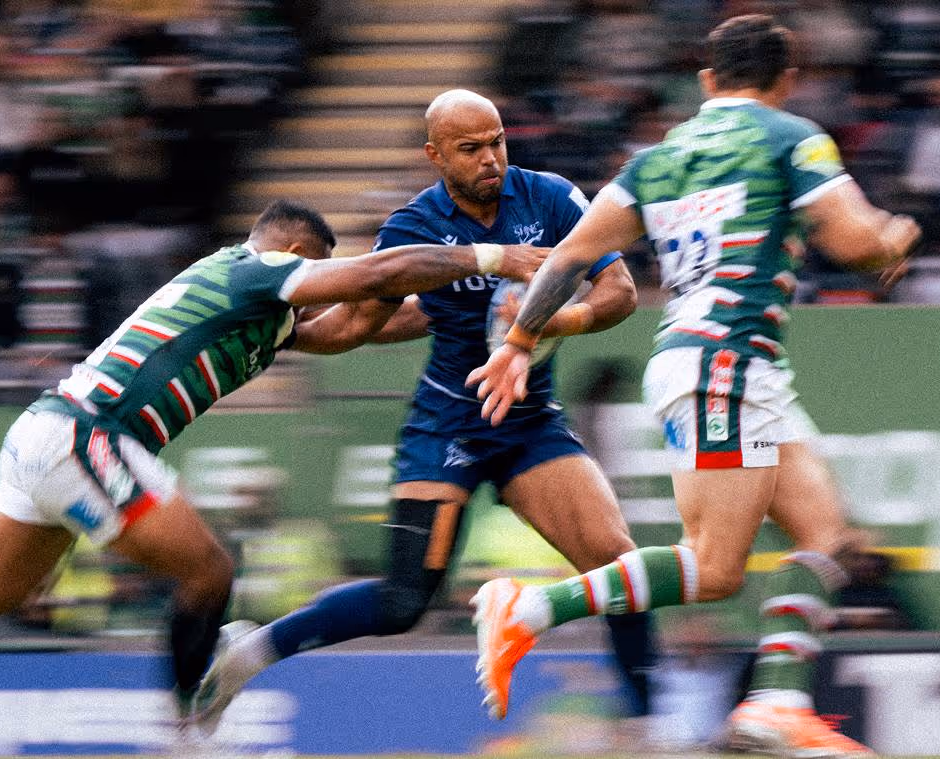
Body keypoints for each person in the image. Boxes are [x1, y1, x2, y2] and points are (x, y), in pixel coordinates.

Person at [0, 200, 547, 753]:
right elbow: (368, 282)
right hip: (88, 437)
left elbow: (355, 323)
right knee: (208, 568)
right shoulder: (252, 270)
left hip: (49, 432)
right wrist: (495, 257)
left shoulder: (257, 317)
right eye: (315, 272)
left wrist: (472, 308)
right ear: (292, 252)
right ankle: (189, 733)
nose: (312, 288)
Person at [466, 15, 922, 759]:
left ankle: (774, 703)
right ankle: (531, 604)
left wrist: (519, 340)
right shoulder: (790, 136)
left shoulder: (657, 159)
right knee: (712, 568)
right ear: (787, 79)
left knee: (823, 532)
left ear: (707, 80)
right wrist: (896, 237)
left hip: (725, 362)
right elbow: (854, 242)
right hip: (725, 365)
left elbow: (569, 256)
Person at [190, 89, 657, 732]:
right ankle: (249, 653)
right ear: (434, 155)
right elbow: (360, 323)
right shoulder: (413, 228)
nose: (490, 159)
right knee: (403, 601)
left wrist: (546, 321)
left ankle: (648, 732)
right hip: (447, 424)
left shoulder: (551, 197)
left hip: (527, 421)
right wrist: (284, 334)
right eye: (471, 149)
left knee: (622, 570)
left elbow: (620, 292)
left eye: (497, 141)